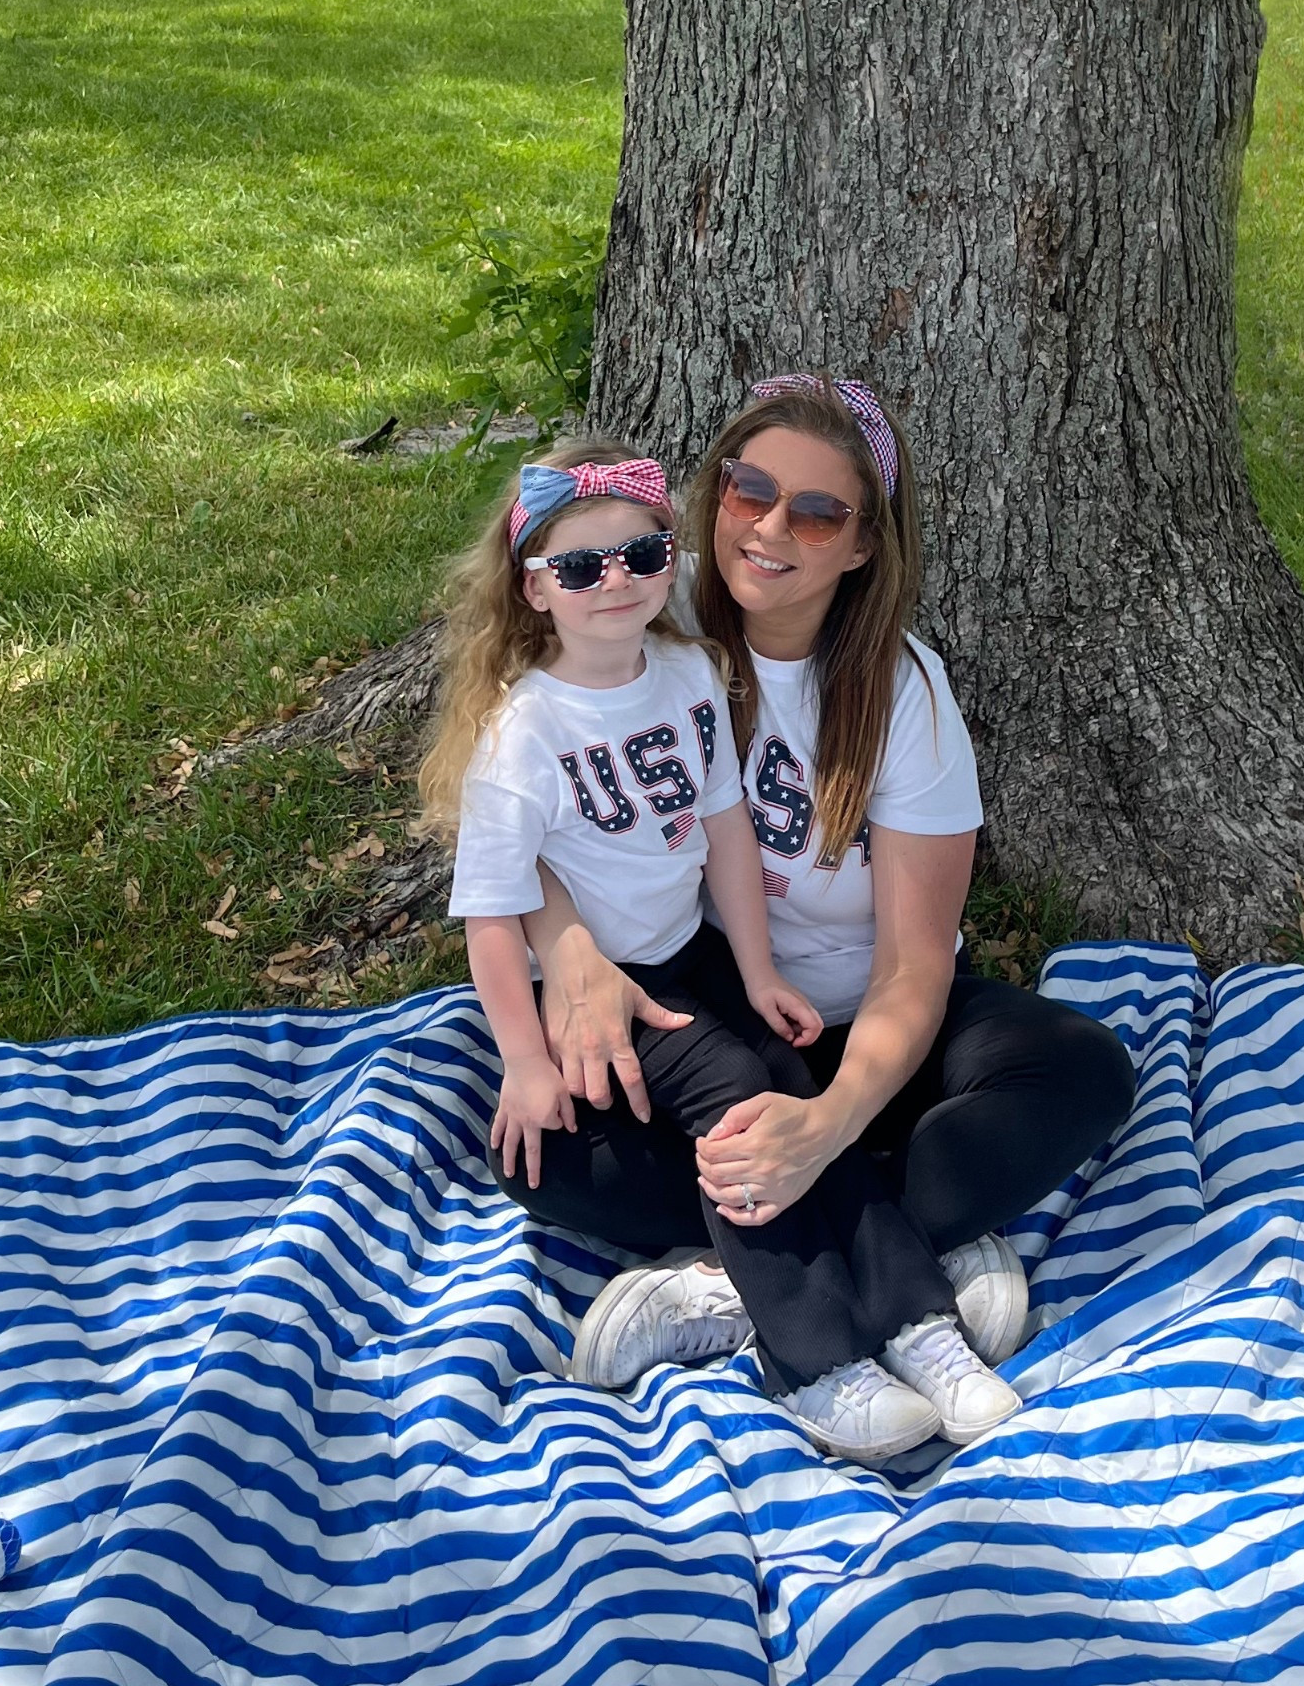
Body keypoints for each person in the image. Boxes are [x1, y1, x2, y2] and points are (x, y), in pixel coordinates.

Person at [507, 379, 1139, 1440]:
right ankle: (890, 1256)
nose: (769, 527)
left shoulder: (904, 691)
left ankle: (747, 1275)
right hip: (712, 1032)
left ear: (862, 547)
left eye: (817, 511)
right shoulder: (636, 619)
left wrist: (829, 1123)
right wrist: (563, 941)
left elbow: (913, 969)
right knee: (545, 1145)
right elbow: (518, 798)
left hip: (863, 1037)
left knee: (1080, 1070)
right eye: (750, 490)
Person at [419, 435, 1022, 1464]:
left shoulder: (695, 665)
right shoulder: (543, 711)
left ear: (864, 545)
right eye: (579, 567)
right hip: (630, 984)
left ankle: (890, 1326)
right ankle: (832, 1351)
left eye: (642, 556)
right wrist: (527, 1050)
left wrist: (757, 974)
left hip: (741, 973)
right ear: (537, 588)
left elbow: (725, 825)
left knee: (786, 1090)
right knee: (702, 1111)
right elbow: (491, 904)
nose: (616, 579)